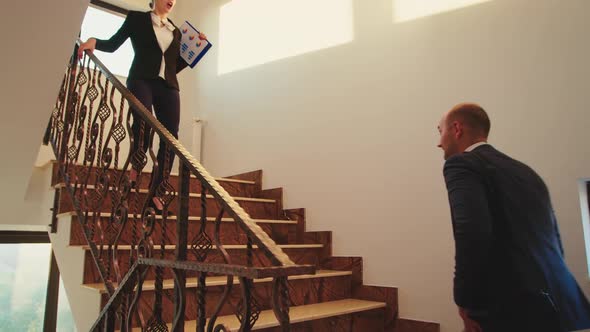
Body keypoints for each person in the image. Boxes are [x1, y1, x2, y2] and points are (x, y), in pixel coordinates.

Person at [437, 103, 590, 332]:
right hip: (563, 302)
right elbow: (553, 240)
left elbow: (472, 233)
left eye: (440, 131)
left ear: (457, 129)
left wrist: (465, 300)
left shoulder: (461, 164)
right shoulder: (526, 172)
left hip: (511, 307)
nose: (439, 142)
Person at [78, 0, 206, 211]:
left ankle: (158, 191)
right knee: (144, 119)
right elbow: (113, 43)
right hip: (141, 79)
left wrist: (197, 47)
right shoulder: (136, 19)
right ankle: (138, 160)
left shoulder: (176, 31)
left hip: (168, 85)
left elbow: (174, 65)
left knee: (171, 136)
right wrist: (94, 41)